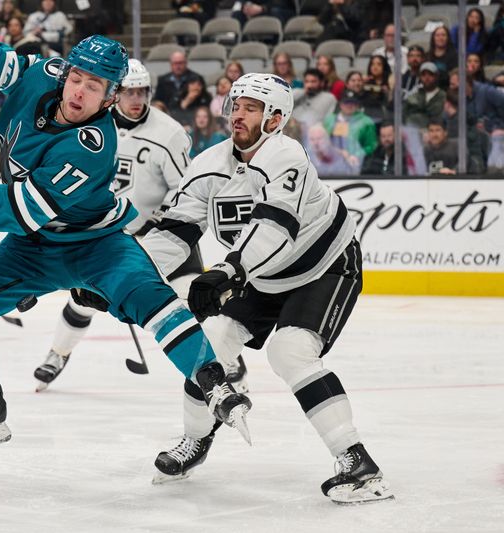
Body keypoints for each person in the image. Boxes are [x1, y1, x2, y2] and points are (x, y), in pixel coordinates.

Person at [0, 35, 252, 457]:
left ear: (109, 98)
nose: (80, 91)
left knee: (154, 299)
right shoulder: (48, 75)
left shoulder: (93, 147)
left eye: (95, 86)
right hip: (32, 247)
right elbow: (16, 69)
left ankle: (212, 381)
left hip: (96, 246)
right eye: (77, 78)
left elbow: (25, 207)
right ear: (65, 73)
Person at [140, 73, 393, 504]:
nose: (237, 114)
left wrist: (228, 270)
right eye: (235, 105)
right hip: (260, 274)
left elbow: (276, 228)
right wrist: (127, 274)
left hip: (323, 266)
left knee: (290, 351)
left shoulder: (286, 155)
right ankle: (195, 441)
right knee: (211, 344)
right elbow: (174, 233)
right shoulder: (209, 165)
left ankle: (357, 461)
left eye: (251, 108)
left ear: (276, 118)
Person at [34, 59, 244, 391]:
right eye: (129, 91)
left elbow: (186, 188)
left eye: (142, 91)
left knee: (194, 293)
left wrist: (158, 221)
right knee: (84, 297)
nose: (136, 99)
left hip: (164, 233)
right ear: (115, 93)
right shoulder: (91, 124)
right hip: (105, 234)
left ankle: (228, 357)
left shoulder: (169, 133)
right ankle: (57, 353)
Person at [323, 89, 378, 166]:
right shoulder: (329, 120)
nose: (349, 105)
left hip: (355, 163)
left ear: (357, 105)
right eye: (346, 102)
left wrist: (357, 155)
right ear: (340, 104)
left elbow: (371, 146)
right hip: (330, 162)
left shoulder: (366, 122)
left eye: (353, 102)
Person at [403, 62, 446, 130]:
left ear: (436, 76)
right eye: (423, 75)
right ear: (420, 77)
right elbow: (404, 115)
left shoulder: (443, 97)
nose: (427, 78)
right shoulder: (414, 96)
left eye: (430, 74)